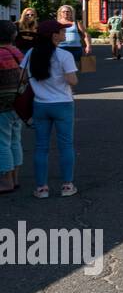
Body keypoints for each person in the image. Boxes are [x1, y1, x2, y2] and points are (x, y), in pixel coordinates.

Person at [23, 18, 78, 199]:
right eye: (62, 31)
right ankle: (67, 185)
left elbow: (21, 75)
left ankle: (41, 188)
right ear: (54, 35)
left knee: (41, 147)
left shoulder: (31, 53)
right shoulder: (64, 55)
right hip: (62, 103)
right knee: (66, 146)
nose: (64, 33)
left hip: (40, 104)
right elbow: (72, 81)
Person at [0, 21, 25, 193]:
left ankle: (5, 181)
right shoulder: (17, 52)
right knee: (15, 141)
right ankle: (15, 178)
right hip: (18, 104)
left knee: (2, 143)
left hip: (2, 105)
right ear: (14, 35)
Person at [56, 4, 90, 70]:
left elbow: (86, 34)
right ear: (60, 13)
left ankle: (72, 79)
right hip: (61, 48)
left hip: (76, 48)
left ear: (71, 13)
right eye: (64, 11)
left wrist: (88, 46)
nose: (66, 13)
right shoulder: (56, 23)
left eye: (68, 11)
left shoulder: (76, 23)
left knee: (74, 69)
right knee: (61, 68)